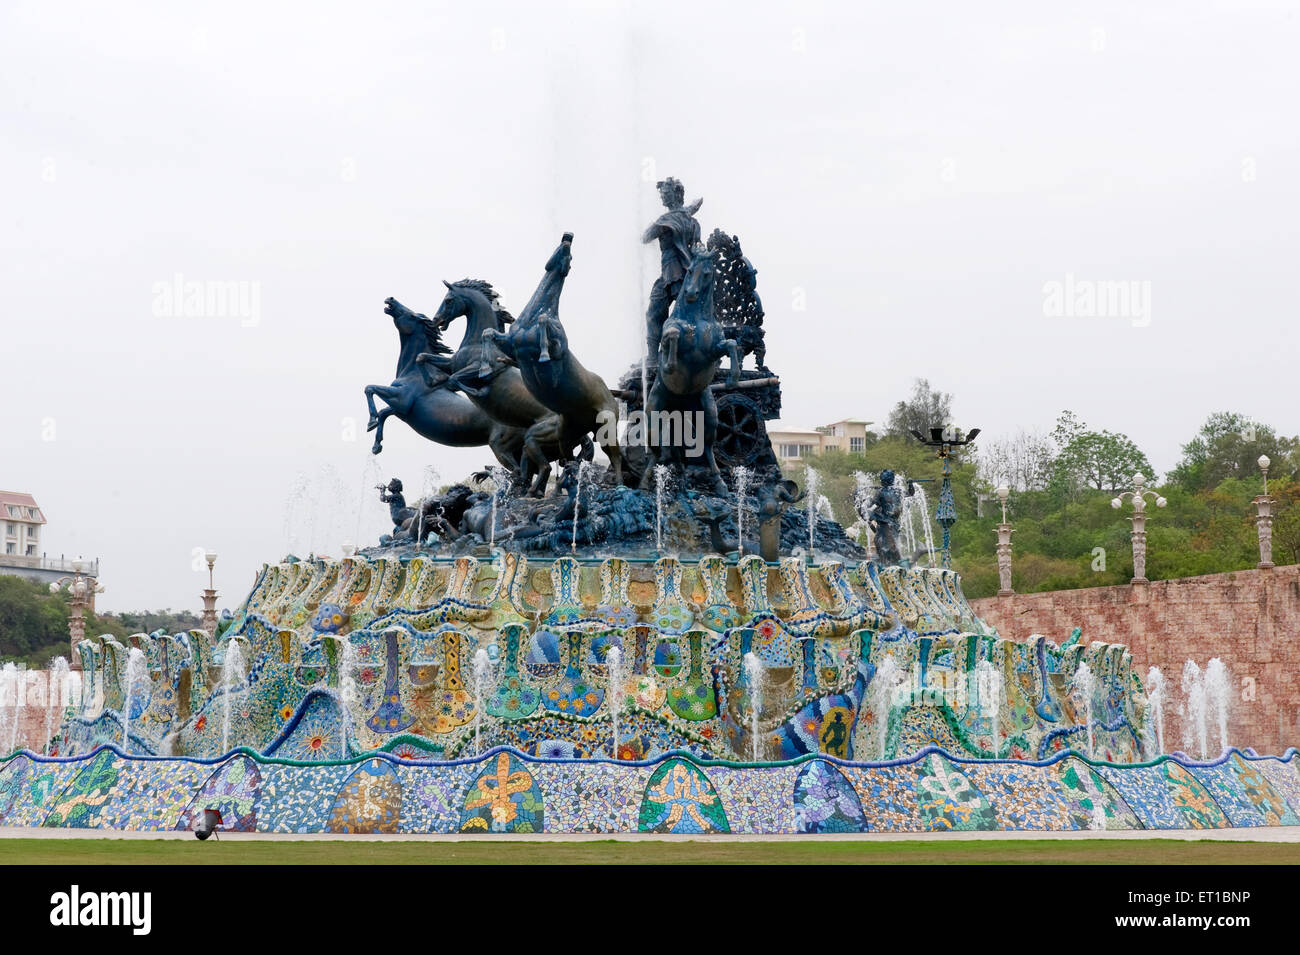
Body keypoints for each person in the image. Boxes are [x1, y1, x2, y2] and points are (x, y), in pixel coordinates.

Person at [642, 177, 702, 366]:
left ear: (676, 194)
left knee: (654, 313)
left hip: (672, 272)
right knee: (680, 314)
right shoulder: (691, 221)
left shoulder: (668, 220)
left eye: (665, 194)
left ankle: (653, 357)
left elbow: (645, 236)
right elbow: (697, 248)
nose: (662, 198)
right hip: (690, 273)